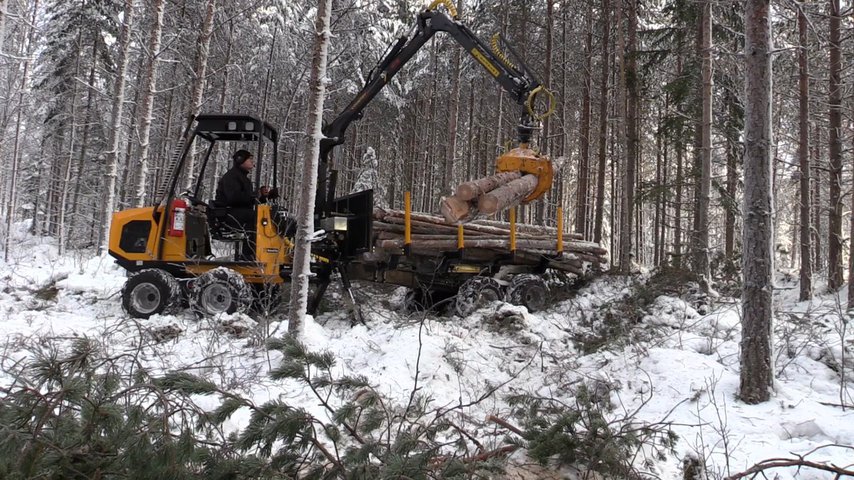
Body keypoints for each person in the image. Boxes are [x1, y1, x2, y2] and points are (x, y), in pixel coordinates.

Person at [211, 149, 276, 258]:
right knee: (256, 218)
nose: (252, 161)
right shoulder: (232, 177)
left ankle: (255, 253)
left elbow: (247, 200)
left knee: (262, 215)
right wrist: (256, 194)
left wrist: (264, 196)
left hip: (237, 211)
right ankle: (249, 255)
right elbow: (234, 198)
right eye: (249, 159)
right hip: (228, 213)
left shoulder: (243, 178)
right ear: (240, 160)